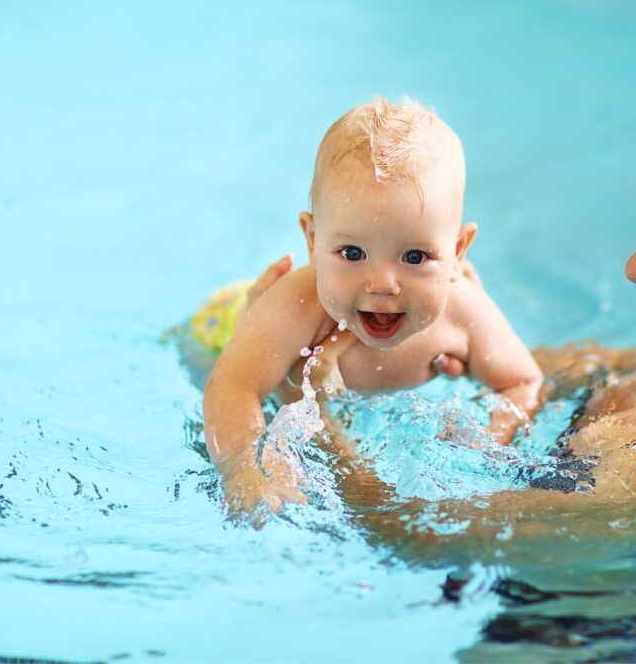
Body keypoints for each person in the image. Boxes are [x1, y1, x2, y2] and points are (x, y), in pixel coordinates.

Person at [244, 85, 636, 543]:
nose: (634, 268)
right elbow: (575, 372)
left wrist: (304, 404)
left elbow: (411, 534)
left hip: (588, 630)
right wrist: (441, 330)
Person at [202, 97, 544, 513]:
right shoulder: (298, 306)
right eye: (352, 253)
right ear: (313, 241)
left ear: (457, 253)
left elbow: (522, 382)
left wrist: (490, 439)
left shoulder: (463, 312)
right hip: (222, 327)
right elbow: (233, 384)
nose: (382, 284)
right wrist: (242, 469)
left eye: (415, 257)